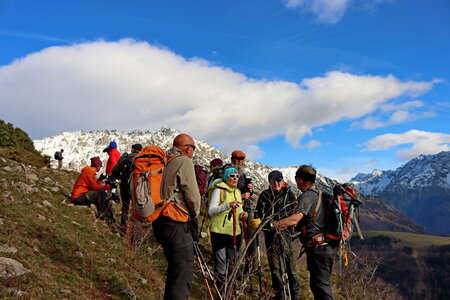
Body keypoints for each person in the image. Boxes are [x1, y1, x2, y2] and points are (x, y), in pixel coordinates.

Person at [274, 165, 336, 300]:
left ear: (301, 180)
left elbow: (295, 219)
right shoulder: (323, 194)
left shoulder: (307, 196)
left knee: (322, 288)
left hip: (318, 249)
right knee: (318, 286)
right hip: (327, 248)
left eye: (297, 179)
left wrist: (274, 225)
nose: (296, 183)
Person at [152, 133, 201, 300]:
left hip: (158, 219)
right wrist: (195, 213)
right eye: (193, 148)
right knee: (183, 271)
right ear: (187, 149)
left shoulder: (163, 160)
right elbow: (193, 196)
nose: (193, 152)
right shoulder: (184, 161)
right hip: (175, 221)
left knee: (175, 269)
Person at [251, 170, 301, 299]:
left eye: (278, 180)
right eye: (273, 181)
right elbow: (258, 215)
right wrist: (258, 221)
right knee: (275, 267)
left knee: (291, 267)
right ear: (269, 182)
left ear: (283, 181)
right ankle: (280, 295)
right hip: (270, 237)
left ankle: (295, 295)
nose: (276, 183)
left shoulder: (289, 195)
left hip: (286, 235)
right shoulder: (264, 195)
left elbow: (294, 213)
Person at [208, 167, 248, 292]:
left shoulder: (237, 191)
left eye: (237, 176)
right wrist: (228, 205)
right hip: (219, 232)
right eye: (232, 176)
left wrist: (243, 214)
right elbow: (211, 211)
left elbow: (240, 209)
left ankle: (228, 289)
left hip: (234, 233)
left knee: (232, 263)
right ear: (226, 178)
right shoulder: (219, 190)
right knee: (221, 265)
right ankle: (221, 292)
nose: (235, 178)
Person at [231, 150, 256, 270]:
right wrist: (241, 196)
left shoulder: (243, 174)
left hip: (246, 208)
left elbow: (248, 194)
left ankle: (250, 265)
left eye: (242, 160)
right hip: (235, 210)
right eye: (238, 159)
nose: (240, 162)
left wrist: (250, 190)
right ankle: (235, 265)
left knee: (251, 237)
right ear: (232, 159)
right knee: (238, 238)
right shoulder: (229, 174)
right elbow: (226, 194)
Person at [70, 156, 114, 223]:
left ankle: (105, 214)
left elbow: (92, 186)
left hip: (80, 196)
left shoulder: (88, 171)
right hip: (78, 197)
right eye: (100, 166)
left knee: (99, 193)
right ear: (98, 166)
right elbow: (95, 188)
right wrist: (107, 187)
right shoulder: (89, 172)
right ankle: (103, 214)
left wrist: (100, 179)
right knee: (101, 192)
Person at [111, 143, 143, 228]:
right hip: (138, 188)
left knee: (125, 207)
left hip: (125, 186)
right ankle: (136, 230)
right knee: (137, 208)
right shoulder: (143, 159)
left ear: (132, 149)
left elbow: (114, 170)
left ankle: (124, 227)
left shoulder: (125, 158)